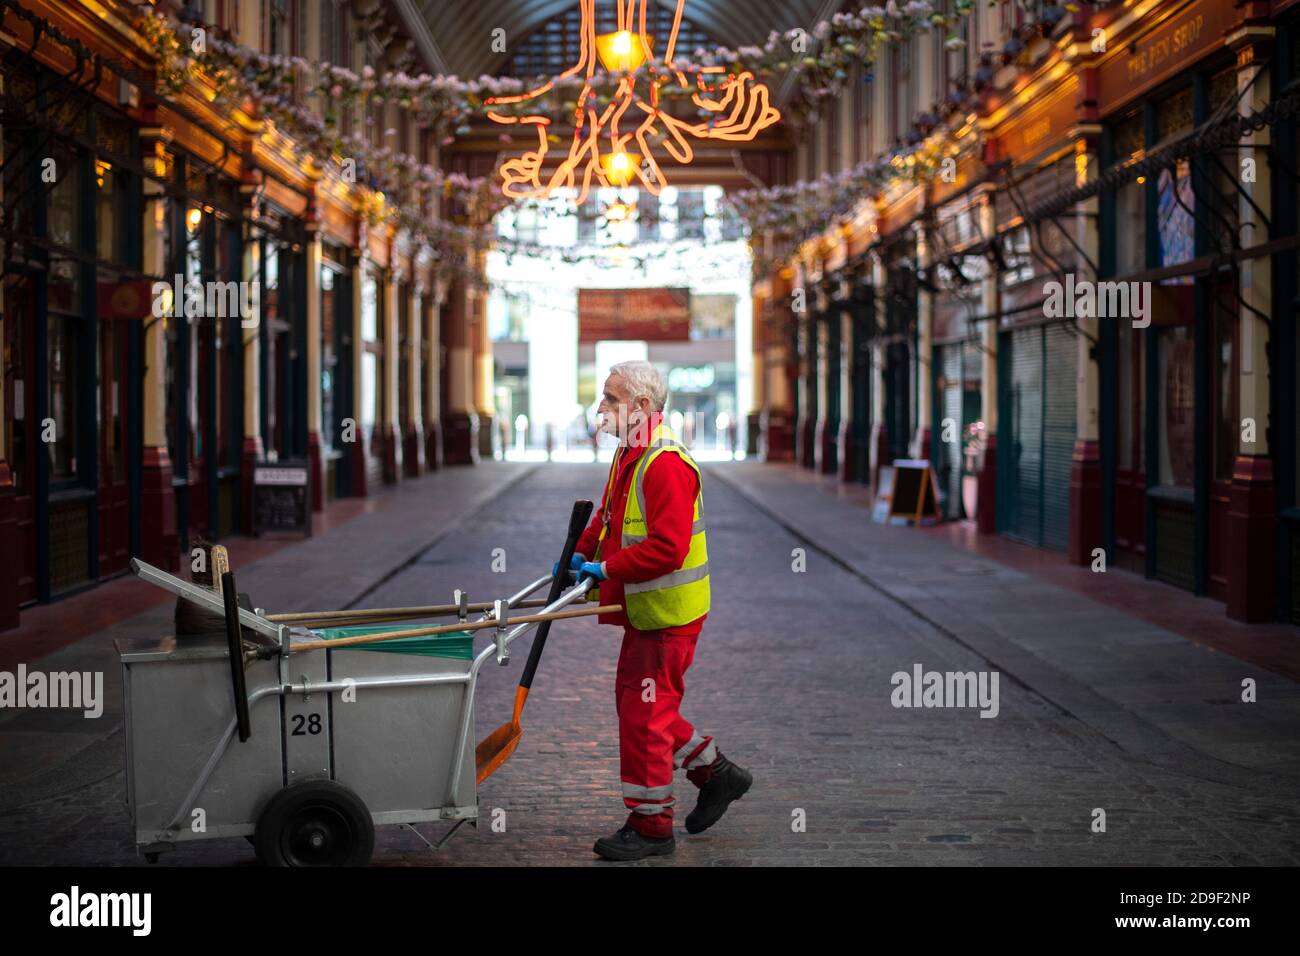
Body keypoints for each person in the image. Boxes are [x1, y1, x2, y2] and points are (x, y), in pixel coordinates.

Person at [559, 360, 752, 860]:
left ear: (642, 407)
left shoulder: (665, 462)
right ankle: (714, 770)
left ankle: (651, 827)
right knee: (640, 706)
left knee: (644, 715)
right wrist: (581, 554)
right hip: (651, 612)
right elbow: (610, 513)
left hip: (669, 614)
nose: (600, 408)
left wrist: (609, 569)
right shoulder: (632, 450)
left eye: (610, 398)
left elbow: (666, 548)